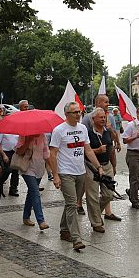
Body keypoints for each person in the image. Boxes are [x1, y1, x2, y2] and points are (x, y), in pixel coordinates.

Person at [49, 101, 104, 252]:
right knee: (73, 204)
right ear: (67, 114)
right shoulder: (59, 130)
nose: (79, 114)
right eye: (75, 112)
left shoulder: (82, 128)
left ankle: (63, 229)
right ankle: (76, 239)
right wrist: (55, 175)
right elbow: (52, 154)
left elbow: (88, 150)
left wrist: (98, 166)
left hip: (81, 171)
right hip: (65, 172)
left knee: (71, 203)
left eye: (79, 112)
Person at [84, 108, 115, 233]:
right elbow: (85, 151)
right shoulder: (88, 133)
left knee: (109, 194)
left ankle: (96, 213)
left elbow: (111, 148)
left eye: (104, 117)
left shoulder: (107, 131)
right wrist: (97, 150)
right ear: (93, 119)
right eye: (100, 117)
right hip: (91, 166)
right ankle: (96, 222)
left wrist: (114, 165)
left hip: (106, 165)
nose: (103, 119)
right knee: (92, 196)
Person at [15, 134, 50, 230]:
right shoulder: (23, 136)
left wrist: (54, 172)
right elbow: (19, 151)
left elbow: (46, 154)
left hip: (39, 168)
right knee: (35, 192)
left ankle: (26, 217)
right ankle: (41, 220)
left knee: (31, 193)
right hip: (27, 169)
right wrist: (28, 141)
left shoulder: (43, 136)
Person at [122, 107, 139, 210]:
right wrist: (135, 136)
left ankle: (132, 191)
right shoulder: (131, 125)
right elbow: (125, 140)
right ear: (137, 114)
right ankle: (135, 201)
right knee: (134, 178)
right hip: (133, 154)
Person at [0, 130, 20, 197]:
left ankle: (13, 189)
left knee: (16, 172)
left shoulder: (18, 128)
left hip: (15, 152)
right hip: (6, 152)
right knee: (7, 170)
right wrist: (3, 155)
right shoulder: (2, 129)